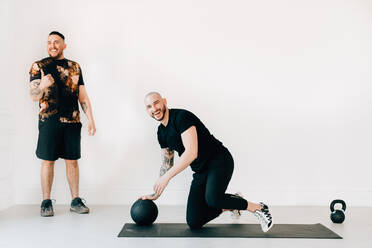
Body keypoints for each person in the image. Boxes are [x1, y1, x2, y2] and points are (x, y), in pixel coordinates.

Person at [141, 92, 273, 232]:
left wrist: (166, 178)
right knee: (194, 220)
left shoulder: (181, 117)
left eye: (156, 103)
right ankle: (233, 203)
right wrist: (156, 192)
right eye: (149, 106)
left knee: (213, 199)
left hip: (219, 160)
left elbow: (191, 153)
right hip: (200, 170)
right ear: (147, 110)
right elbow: (167, 164)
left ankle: (259, 208)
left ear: (164, 102)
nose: (154, 108)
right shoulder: (161, 133)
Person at [29, 31, 96, 217]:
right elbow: (32, 95)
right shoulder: (39, 66)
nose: (52, 45)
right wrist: (42, 86)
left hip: (72, 121)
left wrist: (91, 118)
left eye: (56, 42)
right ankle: (46, 201)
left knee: (72, 161)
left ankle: (75, 200)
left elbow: (82, 96)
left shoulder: (75, 67)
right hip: (49, 121)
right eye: (49, 42)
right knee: (47, 161)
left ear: (64, 45)